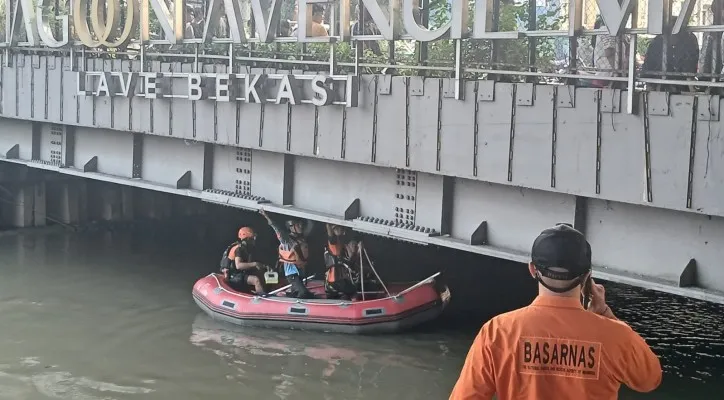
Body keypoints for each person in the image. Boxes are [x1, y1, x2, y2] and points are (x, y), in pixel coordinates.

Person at [449, 224, 662, 400]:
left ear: (533, 269)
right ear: (587, 276)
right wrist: (606, 314)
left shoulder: (498, 332)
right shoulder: (615, 336)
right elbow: (649, 379)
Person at [259, 209, 313, 299]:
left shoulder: (302, 237)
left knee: (298, 291)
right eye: (298, 225)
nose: (301, 226)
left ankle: (290, 294)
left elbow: (310, 225)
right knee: (303, 293)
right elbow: (276, 228)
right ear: (291, 227)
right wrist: (266, 216)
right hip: (292, 274)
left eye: (301, 224)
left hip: (301, 271)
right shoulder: (286, 240)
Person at [219, 227, 267, 295]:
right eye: (252, 238)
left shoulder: (245, 248)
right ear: (247, 239)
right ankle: (262, 298)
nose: (253, 241)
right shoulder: (239, 249)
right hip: (233, 276)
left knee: (260, 274)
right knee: (255, 280)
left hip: (239, 274)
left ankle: (264, 291)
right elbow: (238, 266)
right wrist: (255, 264)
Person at [324, 224, 360, 300]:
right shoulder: (333, 244)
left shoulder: (341, 245)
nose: (340, 230)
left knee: (349, 292)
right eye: (337, 228)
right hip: (335, 281)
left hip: (338, 280)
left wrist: (357, 251)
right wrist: (328, 224)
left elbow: (350, 263)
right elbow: (330, 235)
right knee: (353, 291)